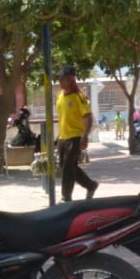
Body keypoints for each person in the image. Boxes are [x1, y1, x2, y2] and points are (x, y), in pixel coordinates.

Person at [56, 65, 98, 201]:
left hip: (75, 137)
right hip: (63, 137)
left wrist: (85, 136)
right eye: (60, 79)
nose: (61, 82)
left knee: (68, 168)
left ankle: (66, 197)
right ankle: (91, 185)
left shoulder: (79, 97)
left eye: (64, 79)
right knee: (66, 167)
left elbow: (87, 116)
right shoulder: (60, 97)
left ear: (71, 79)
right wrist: (59, 137)